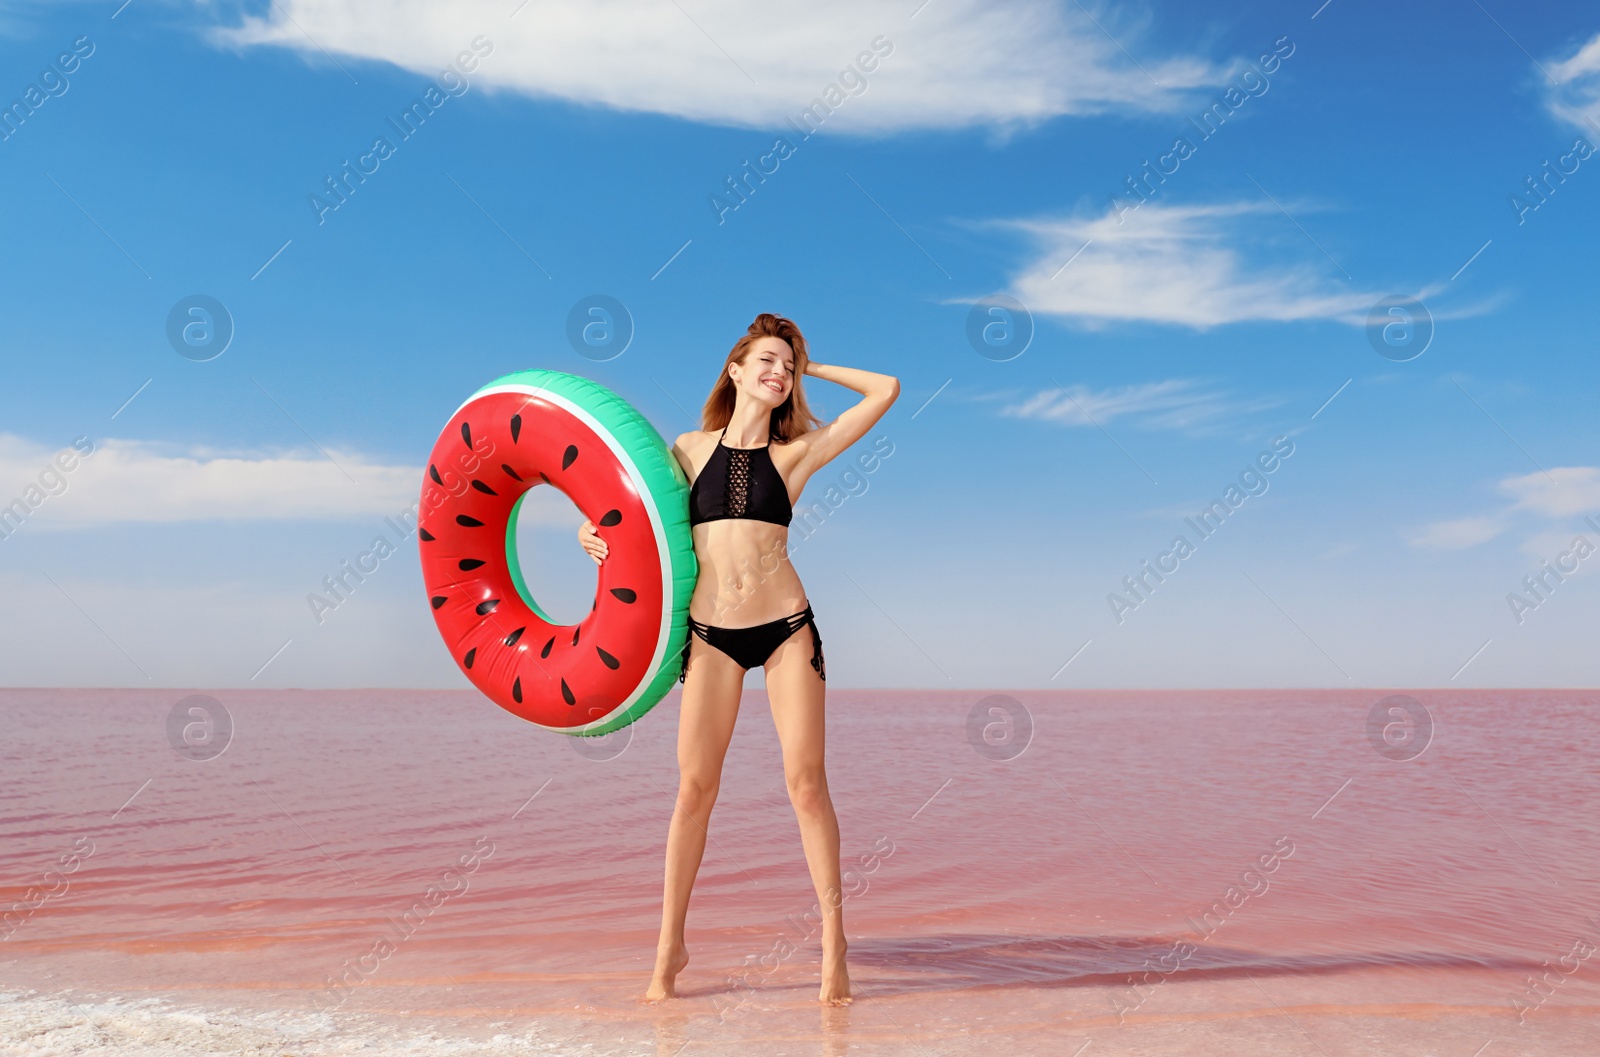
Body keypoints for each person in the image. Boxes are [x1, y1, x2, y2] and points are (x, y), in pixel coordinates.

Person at [578, 312, 898, 1006]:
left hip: (785, 628)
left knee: (806, 784)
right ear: (735, 369)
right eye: (767, 361)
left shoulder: (798, 453)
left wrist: (812, 365)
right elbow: (622, 507)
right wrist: (588, 531)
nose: (777, 373)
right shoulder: (686, 451)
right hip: (711, 635)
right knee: (694, 790)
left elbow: (885, 389)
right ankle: (670, 946)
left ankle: (832, 938)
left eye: (786, 365)